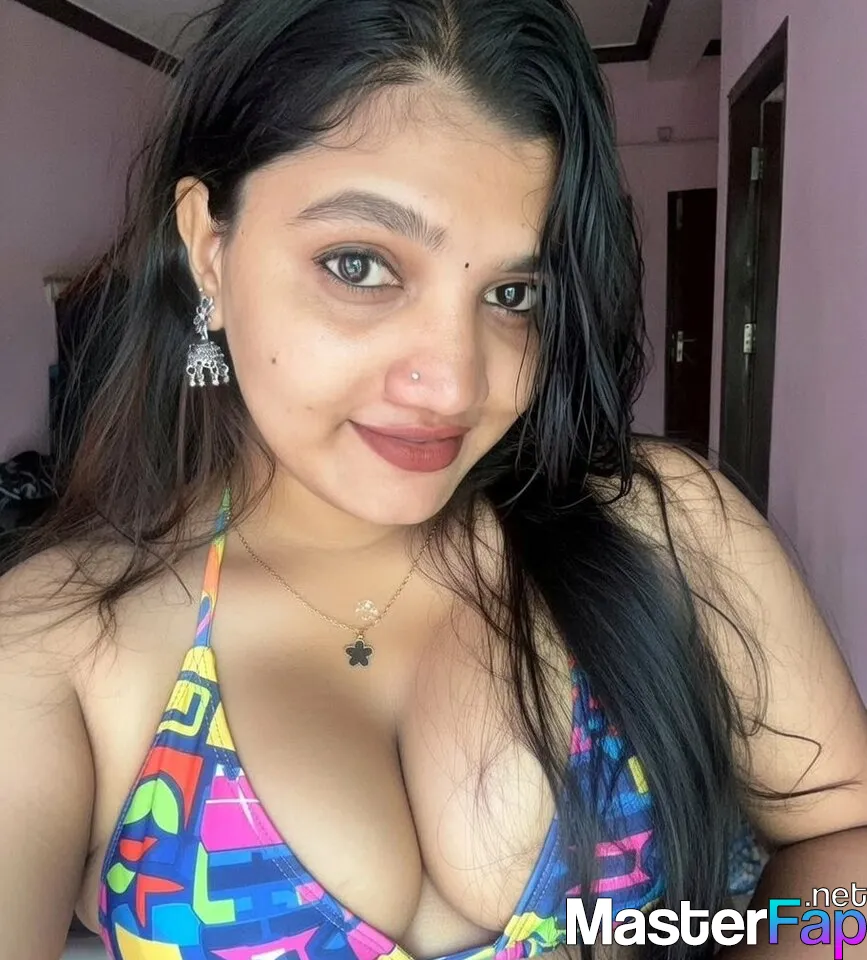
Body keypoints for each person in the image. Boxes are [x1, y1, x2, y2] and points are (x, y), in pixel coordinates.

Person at [2, 1, 866, 958]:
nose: (456, 384)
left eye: (511, 293)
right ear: (209, 247)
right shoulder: (58, 643)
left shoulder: (662, 531)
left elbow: (845, 842)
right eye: (360, 265)